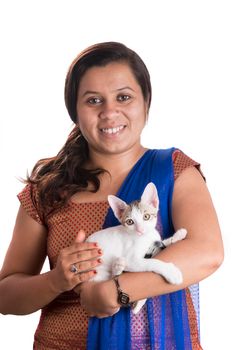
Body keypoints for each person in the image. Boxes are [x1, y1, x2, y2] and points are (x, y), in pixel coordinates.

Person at [0, 42, 223, 350]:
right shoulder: (48, 189)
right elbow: (6, 295)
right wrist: (56, 281)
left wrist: (115, 290)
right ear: (74, 111)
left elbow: (207, 252)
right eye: (93, 100)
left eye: (123, 97)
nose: (109, 112)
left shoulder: (173, 170)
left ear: (146, 102)